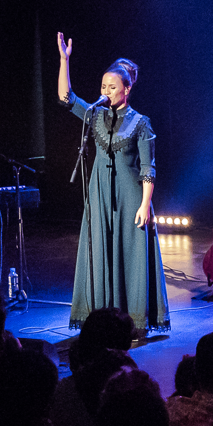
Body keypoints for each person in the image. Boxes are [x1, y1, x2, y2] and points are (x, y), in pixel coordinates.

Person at [57, 32, 170, 334]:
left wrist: (145, 204)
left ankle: (133, 321)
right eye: (103, 86)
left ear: (127, 89)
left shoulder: (141, 122)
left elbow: (148, 167)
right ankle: (100, 318)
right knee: (100, 252)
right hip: (99, 195)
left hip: (130, 197)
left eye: (112, 87)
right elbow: (66, 98)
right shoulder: (94, 115)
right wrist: (64, 60)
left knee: (129, 256)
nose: (106, 91)